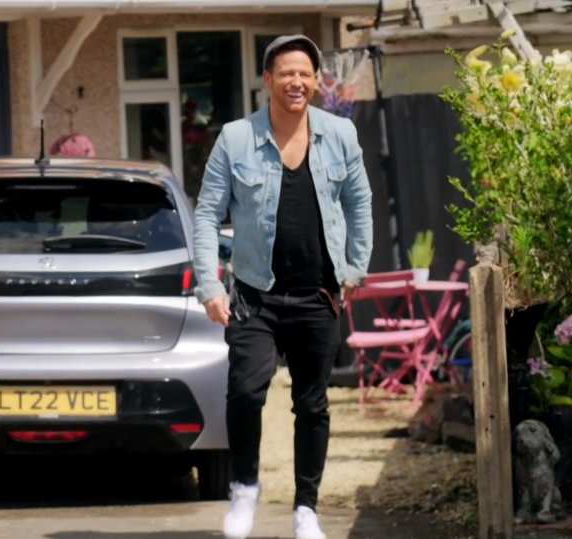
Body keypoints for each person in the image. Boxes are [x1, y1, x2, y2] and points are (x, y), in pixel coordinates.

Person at [191, 35, 373, 539]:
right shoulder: (235, 138)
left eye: (305, 73)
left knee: (312, 404)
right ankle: (245, 487)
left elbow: (360, 205)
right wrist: (210, 284)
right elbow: (207, 214)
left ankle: (306, 509)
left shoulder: (340, 134)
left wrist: (354, 269)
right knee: (246, 392)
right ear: (267, 80)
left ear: (316, 81)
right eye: (286, 73)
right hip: (255, 294)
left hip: (318, 294)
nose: (296, 81)